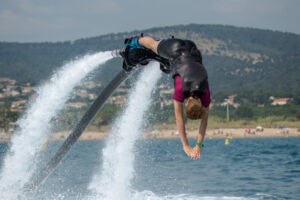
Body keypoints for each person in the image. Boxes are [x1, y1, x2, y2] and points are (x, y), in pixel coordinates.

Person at [125, 36, 210, 160]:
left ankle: (164, 58)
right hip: (174, 48)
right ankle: (135, 41)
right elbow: (179, 118)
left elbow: (204, 119)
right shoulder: (181, 90)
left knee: (173, 64)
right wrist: (186, 145)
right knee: (153, 45)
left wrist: (198, 145)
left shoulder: (204, 91)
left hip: (191, 48)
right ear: (186, 105)